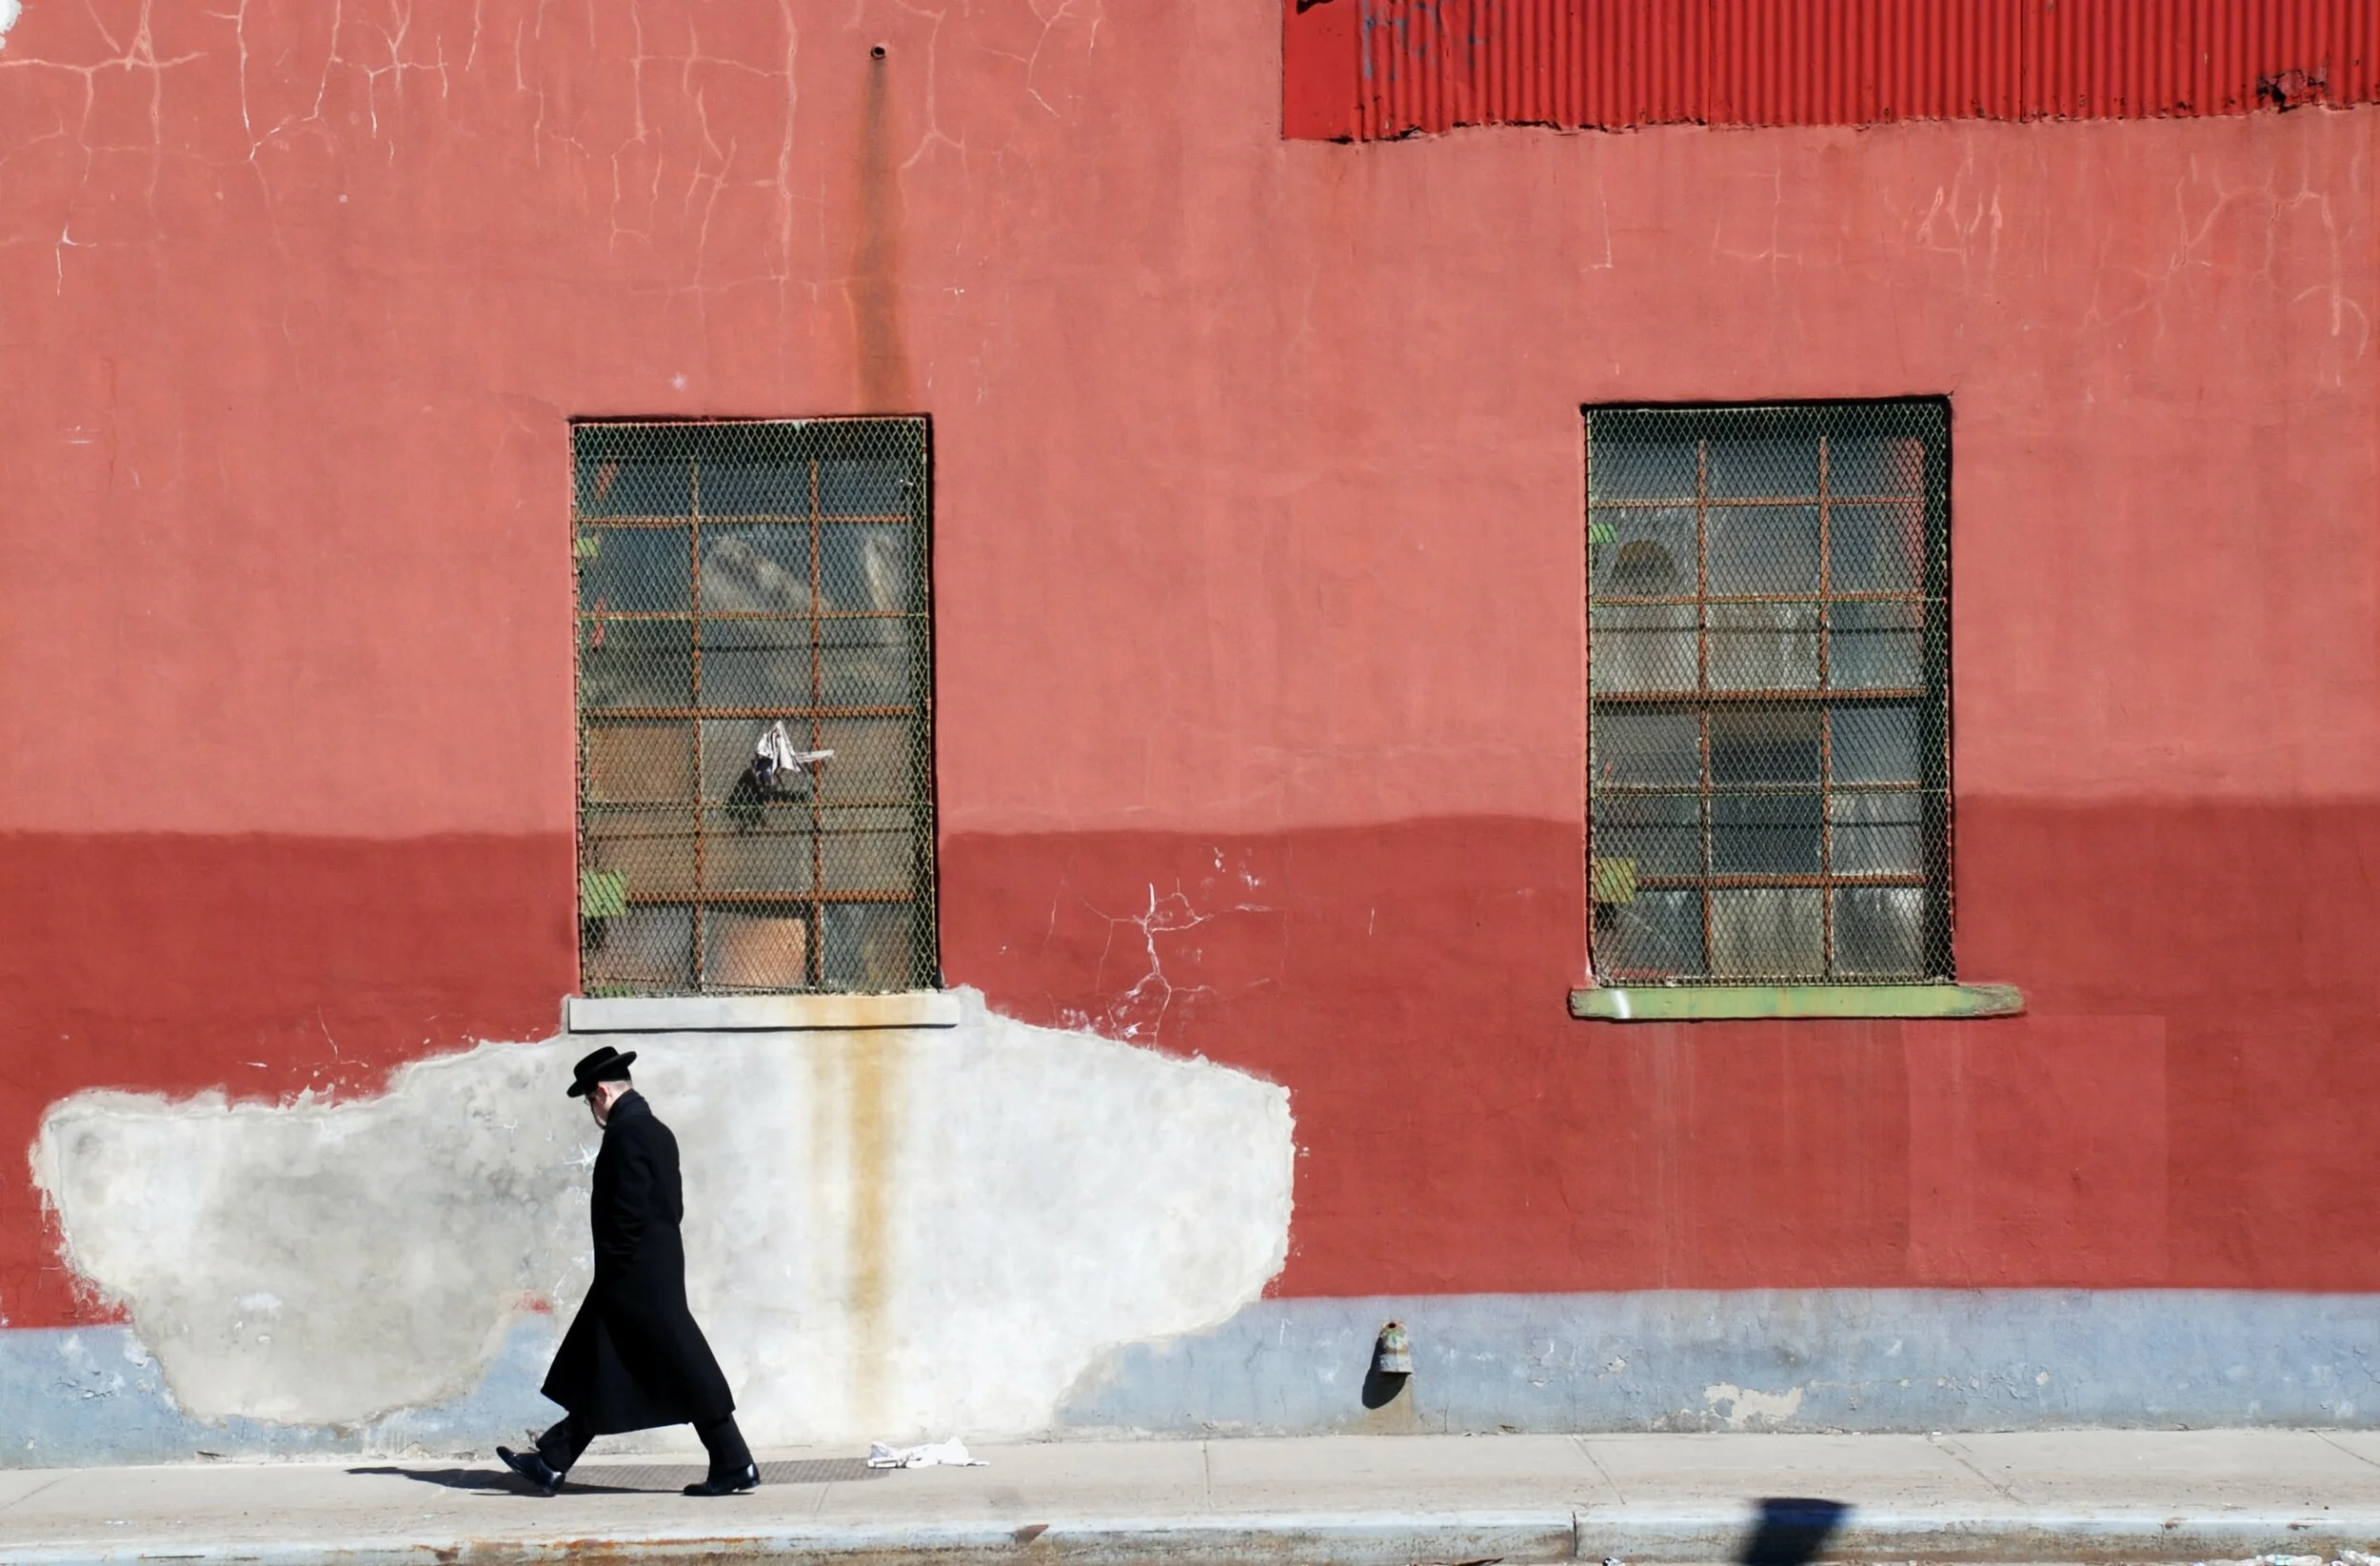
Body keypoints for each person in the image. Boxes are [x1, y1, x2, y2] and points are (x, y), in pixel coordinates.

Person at [497, 1045, 760, 1497]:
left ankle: (735, 1462)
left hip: (632, 1274)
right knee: (609, 1364)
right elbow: (671, 1206)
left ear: (602, 1092)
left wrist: (618, 1267)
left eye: (589, 1101)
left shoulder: (626, 1134)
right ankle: (551, 1461)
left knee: (677, 1362)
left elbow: (628, 1211)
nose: (591, 1110)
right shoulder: (655, 1130)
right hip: (651, 1268)